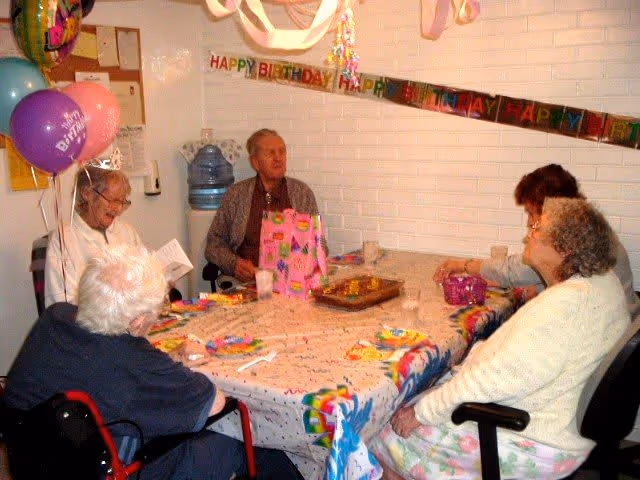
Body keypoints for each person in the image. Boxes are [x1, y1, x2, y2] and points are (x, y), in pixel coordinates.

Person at [370, 198, 630, 480]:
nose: (528, 233)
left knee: (377, 430)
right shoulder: (603, 282)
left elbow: (495, 380)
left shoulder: (567, 305)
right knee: (414, 398)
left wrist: (420, 414)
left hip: (528, 439)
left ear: (563, 249)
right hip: (546, 416)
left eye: (537, 229)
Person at [5, 245, 303, 480]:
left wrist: (169, 361)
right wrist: (170, 368)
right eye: (155, 312)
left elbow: (100, 373)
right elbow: (214, 403)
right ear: (137, 321)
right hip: (122, 468)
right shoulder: (134, 359)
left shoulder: (55, 316)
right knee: (255, 445)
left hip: (36, 460)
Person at [433, 164, 640, 318]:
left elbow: (513, 270)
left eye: (532, 214)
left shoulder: (567, 242)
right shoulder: (591, 231)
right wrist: (538, 288)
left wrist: (463, 265)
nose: (530, 222)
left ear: (551, 212)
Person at [44, 162, 181, 307]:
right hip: (89, 326)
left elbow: (144, 279)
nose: (118, 209)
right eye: (113, 200)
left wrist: (159, 284)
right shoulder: (63, 240)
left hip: (132, 321)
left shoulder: (126, 232)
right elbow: (62, 305)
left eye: (123, 202)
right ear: (87, 193)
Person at [205, 128, 320, 283]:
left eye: (282, 152)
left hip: (292, 282)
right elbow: (214, 244)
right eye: (270, 153)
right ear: (255, 162)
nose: (278, 158)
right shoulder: (236, 195)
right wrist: (235, 264)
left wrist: (302, 265)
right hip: (247, 282)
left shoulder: (302, 193)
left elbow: (319, 244)